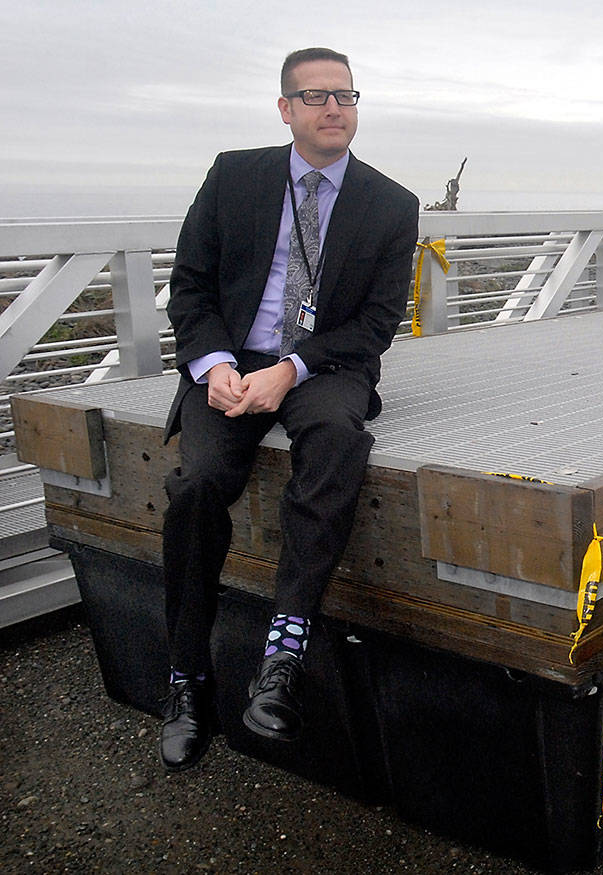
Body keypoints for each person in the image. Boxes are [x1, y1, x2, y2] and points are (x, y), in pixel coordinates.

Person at [158, 47, 419, 772]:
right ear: (285, 109)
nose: (335, 108)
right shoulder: (233, 175)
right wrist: (213, 366)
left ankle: (284, 653)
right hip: (231, 364)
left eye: (346, 94)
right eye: (316, 97)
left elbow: (375, 323)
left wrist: (293, 368)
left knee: (337, 435)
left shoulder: (390, 203)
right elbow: (189, 285)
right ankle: (185, 677)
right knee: (199, 482)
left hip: (323, 362)